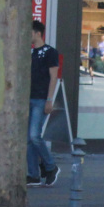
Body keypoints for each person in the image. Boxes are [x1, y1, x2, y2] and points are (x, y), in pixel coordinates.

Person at [27, 19, 61, 187]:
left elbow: (53, 77)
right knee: (29, 138)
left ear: (37, 33)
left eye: (30, 32)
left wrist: (49, 99)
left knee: (34, 135)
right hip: (29, 97)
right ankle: (33, 173)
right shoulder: (31, 53)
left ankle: (50, 166)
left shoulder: (50, 52)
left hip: (41, 98)